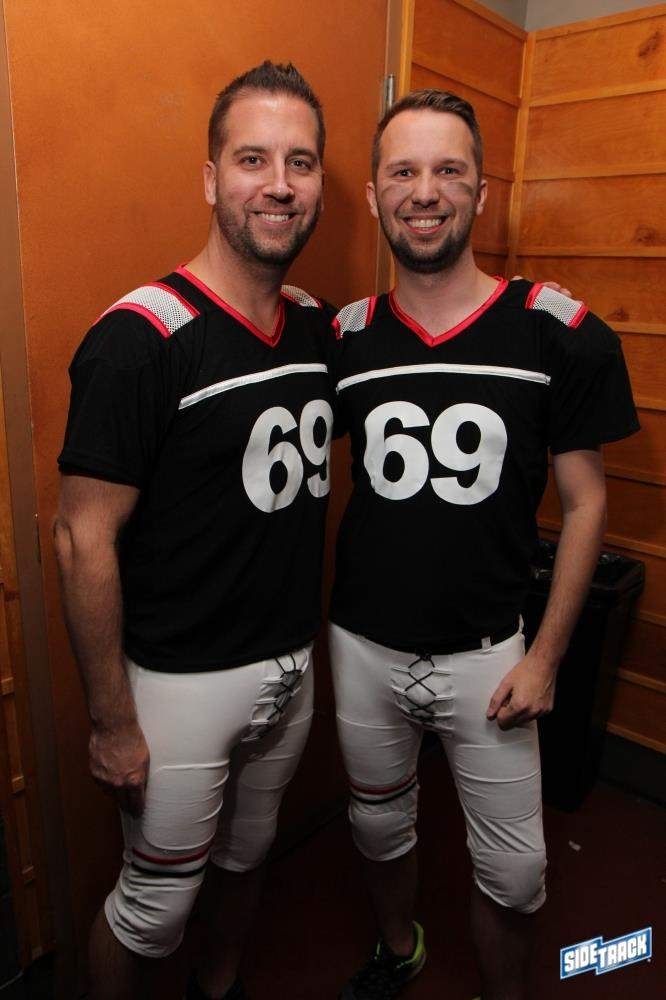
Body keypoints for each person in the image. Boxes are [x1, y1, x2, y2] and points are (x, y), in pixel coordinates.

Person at [327, 90, 639, 1000]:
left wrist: (546, 658)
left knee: (515, 871)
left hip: (491, 653)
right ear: (377, 195)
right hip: (362, 643)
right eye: (403, 172)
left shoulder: (552, 330)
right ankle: (400, 948)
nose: (425, 192)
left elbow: (586, 502)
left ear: (482, 192)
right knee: (377, 828)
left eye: (448, 170)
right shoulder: (344, 336)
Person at [54, 62, 334, 1000]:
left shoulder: (314, 327)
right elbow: (81, 539)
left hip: (291, 666)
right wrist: (111, 722)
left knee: (248, 859)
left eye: (301, 162)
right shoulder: (139, 338)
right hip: (180, 686)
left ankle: (219, 989)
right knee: (152, 909)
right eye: (253, 159)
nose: (279, 184)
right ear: (212, 178)